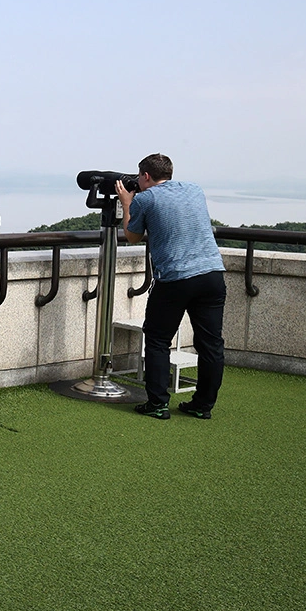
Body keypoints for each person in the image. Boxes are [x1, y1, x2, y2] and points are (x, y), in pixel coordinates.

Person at [116, 153, 226, 420]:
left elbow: (132, 236)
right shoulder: (193, 189)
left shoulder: (145, 198)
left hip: (176, 278)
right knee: (210, 344)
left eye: (139, 178)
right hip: (212, 274)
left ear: (145, 176)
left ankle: (158, 404)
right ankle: (203, 405)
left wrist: (127, 203)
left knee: (157, 339)